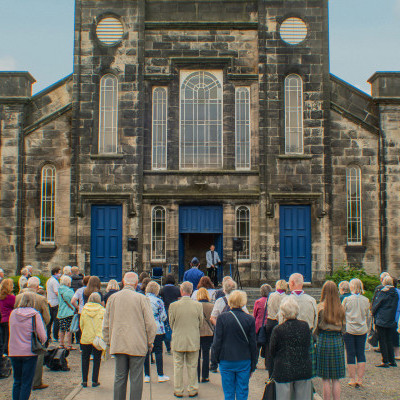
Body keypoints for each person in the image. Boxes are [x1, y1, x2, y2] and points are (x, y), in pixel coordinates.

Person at [102, 272, 156, 400]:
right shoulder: (142, 298)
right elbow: (150, 324)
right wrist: (150, 342)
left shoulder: (112, 298)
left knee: (119, 377)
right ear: (136, 284)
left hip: (119, 342)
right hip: (137, 343)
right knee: (136, 378)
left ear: (123, 281)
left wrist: (108, 341)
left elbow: (106, 324)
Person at [211, 290, 257, 400]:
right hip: (244, 360)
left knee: (228, 392)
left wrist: (214, 359)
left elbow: (217, 341)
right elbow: (253, 344)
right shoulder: (250, 319)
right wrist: (253, 364)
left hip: (226, 359)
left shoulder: (222, 318)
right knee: (242, 391)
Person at [269, 296, 312, 400]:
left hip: (284, 369)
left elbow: (272, 350)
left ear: (282, 313)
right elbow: (307, 344)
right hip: (303, 368)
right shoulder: (305, 326)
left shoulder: (278, 329)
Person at [9, 292, 47, 400]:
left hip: (14, 350)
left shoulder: (13, 313)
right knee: (26, 381)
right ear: (33, 302)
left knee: (17, 380)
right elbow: (43, 336)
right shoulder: (35, 315)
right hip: (29, 351)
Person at [15, 277, 50, 391]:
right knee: (38, 355)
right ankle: (36, 382)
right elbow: (47, 317)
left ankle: (21, 379)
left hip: (19, 330)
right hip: (36, 330)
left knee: (20, 354)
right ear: (37, 286)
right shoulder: (41, 298)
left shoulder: (18, 297)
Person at [169, 281, 203, 398]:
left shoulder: (173, 306)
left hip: (178, 338)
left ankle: (178, 389)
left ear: (181, 291)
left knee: (178, 366)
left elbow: (171, 322)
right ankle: (193, 389)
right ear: (191, 291)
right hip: (193, 339)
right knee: (192, 366)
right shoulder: (198, 305)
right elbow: (201, 323)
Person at [315, 281, 346, 400]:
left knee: (325, 378)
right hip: (337, 340)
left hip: (323, 339)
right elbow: (344, 328)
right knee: (336, 378)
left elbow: (316, 327)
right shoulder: (341, 307)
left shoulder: (320, 307)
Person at [287, 273, 318, 377]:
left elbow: (281, 321)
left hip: (289, 336)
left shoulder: (285, 300)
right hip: (307, 335)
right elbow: (315, 320)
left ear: (291, 283)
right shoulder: (311, 300)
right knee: (306, 368)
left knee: (291, 369)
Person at [342, 278, 371, 387]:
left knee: (350, 354)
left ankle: (352, 378)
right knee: (360, 353)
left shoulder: (347, 300)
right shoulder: (366, 300)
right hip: (362, 329)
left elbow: (342, 314)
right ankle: (360, 379)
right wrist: (367, 327)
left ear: (351, 287)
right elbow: (368, 316)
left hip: (349, 329)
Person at [144, 281, 169, 383]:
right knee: (158, 351)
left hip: (145, 328)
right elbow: (163, 316)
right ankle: (160, 375)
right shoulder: (159, 301)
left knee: (146, 352)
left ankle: (147, 375)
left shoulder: (143, 300)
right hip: (157, 328)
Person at [372, 275, 399, 367]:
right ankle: (392, 360)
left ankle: (385, 361)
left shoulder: (383, 292)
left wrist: (373, 312)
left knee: (382, 340)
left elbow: (377, 304)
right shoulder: (395, 293)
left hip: (382, 318)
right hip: (391, 317)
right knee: (389, 340)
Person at [80, 292, 105, 388]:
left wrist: (85, 331)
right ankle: (95, 380)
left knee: (85, 358)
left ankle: (84, 380)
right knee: (97, 359)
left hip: (86, 336)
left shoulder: (84, 310)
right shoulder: (102, 310)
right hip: (97, 337)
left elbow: (81, 324)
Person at [196, 287, 214, 383]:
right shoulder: (211, 306)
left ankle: (197, 376)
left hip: (197, 332)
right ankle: (205, 376)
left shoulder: (195, 305)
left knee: (197, 355)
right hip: (208, 332)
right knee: (206, 354)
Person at [160, 274, 181, 354]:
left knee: (166, 327)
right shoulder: (177, 289)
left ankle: (168, 348)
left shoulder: (162, 289)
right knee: (175, 328)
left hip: (165, 309)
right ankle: (176, 346)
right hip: (175, 309)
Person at [253, 284, 272, 364]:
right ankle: (267, 364)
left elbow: (254, 314)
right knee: (267, 346)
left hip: (258, 325)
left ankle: (254, 362)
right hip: (267, 324)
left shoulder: (258, 302)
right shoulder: (271, 301)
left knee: (257, 345)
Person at [57, 275, 76, 350]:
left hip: (61, 311)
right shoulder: (69, 291)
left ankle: (61, 344)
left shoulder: (60, 290)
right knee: (69, 329)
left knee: (62, 329)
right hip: (69, 311)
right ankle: (69, 345)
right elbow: (72, 301)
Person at [0, 278, 16, 356]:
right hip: (9, 319)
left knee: (2, 338)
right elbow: (15, 307)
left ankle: (3, 353)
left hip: (2, 318)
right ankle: (6, 353)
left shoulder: (1, 297)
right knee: (8, 338)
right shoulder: (11, 297)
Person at [46, 266, 61, 342]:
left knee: (50, 320)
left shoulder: (49, 280)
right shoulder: (54, 281)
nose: (60, 274)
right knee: (56, 320)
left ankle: (48, 335)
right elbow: (56, 292)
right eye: (59, 272)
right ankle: (55, 336)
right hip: (55, 302)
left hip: (49, 301)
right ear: (55, 273)